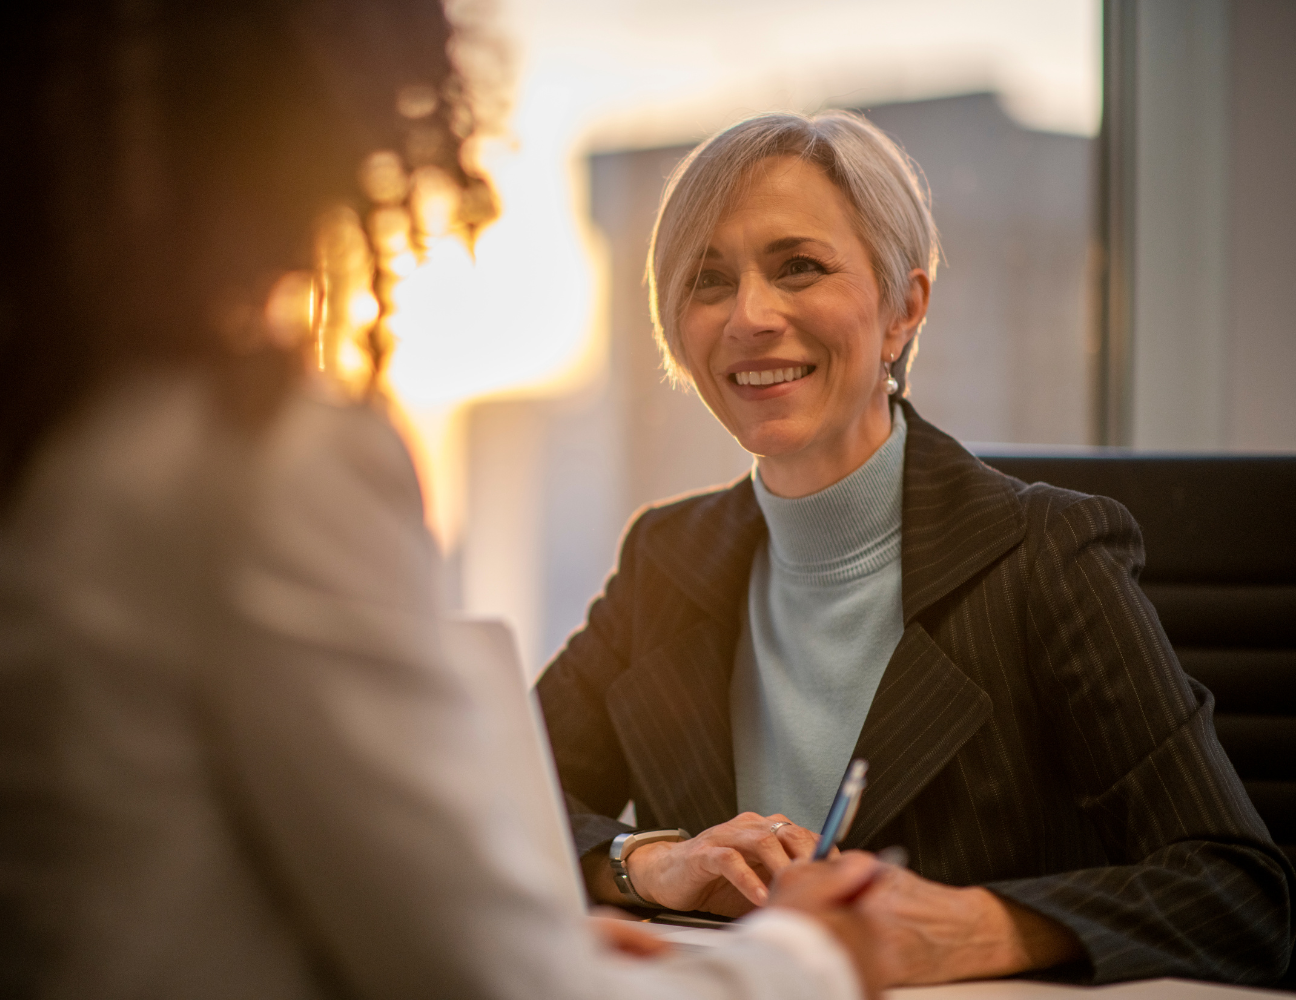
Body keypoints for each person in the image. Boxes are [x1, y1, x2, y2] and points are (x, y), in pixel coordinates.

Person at [0, 2, 890, 997]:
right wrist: (808, 956)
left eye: (799, 269)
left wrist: (491, 927)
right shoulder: (252, 465)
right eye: (709, 279)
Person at [535, 110, 1294, 987]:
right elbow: (497, 805)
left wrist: (976, 925)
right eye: (708, 280)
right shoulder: (665, 559)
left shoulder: (1046, 553)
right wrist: (649, 861)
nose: (749, 315)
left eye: (800, 267)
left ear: (905, 308)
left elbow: (1244, 892)